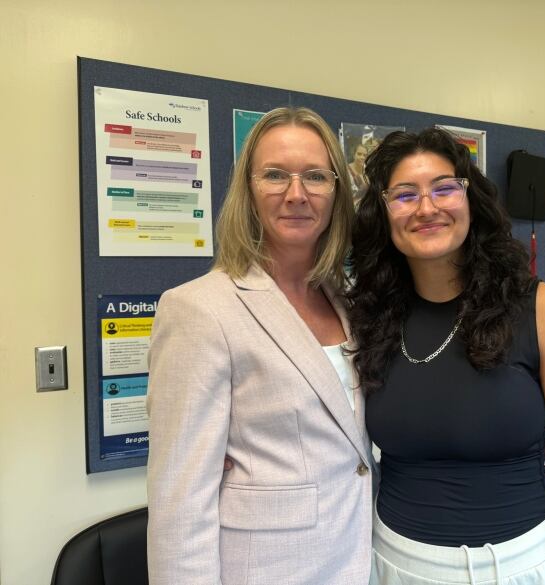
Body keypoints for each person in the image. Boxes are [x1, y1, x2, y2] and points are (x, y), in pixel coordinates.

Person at [346, 128, 545, 585]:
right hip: (396, 565)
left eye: (444, 187)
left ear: (470, 199)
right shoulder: (367, 319)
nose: (427, 207)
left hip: (525, 565)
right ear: (384, 211)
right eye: (405, 194)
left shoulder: (543, 310)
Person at [146, 106, 374, 585]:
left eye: (315, 176)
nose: (296, 194)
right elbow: (181, 501)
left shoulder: (349, 303)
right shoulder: (199, 309)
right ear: (247, 190)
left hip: (360, 559)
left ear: (336, 192)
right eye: (274, 175)